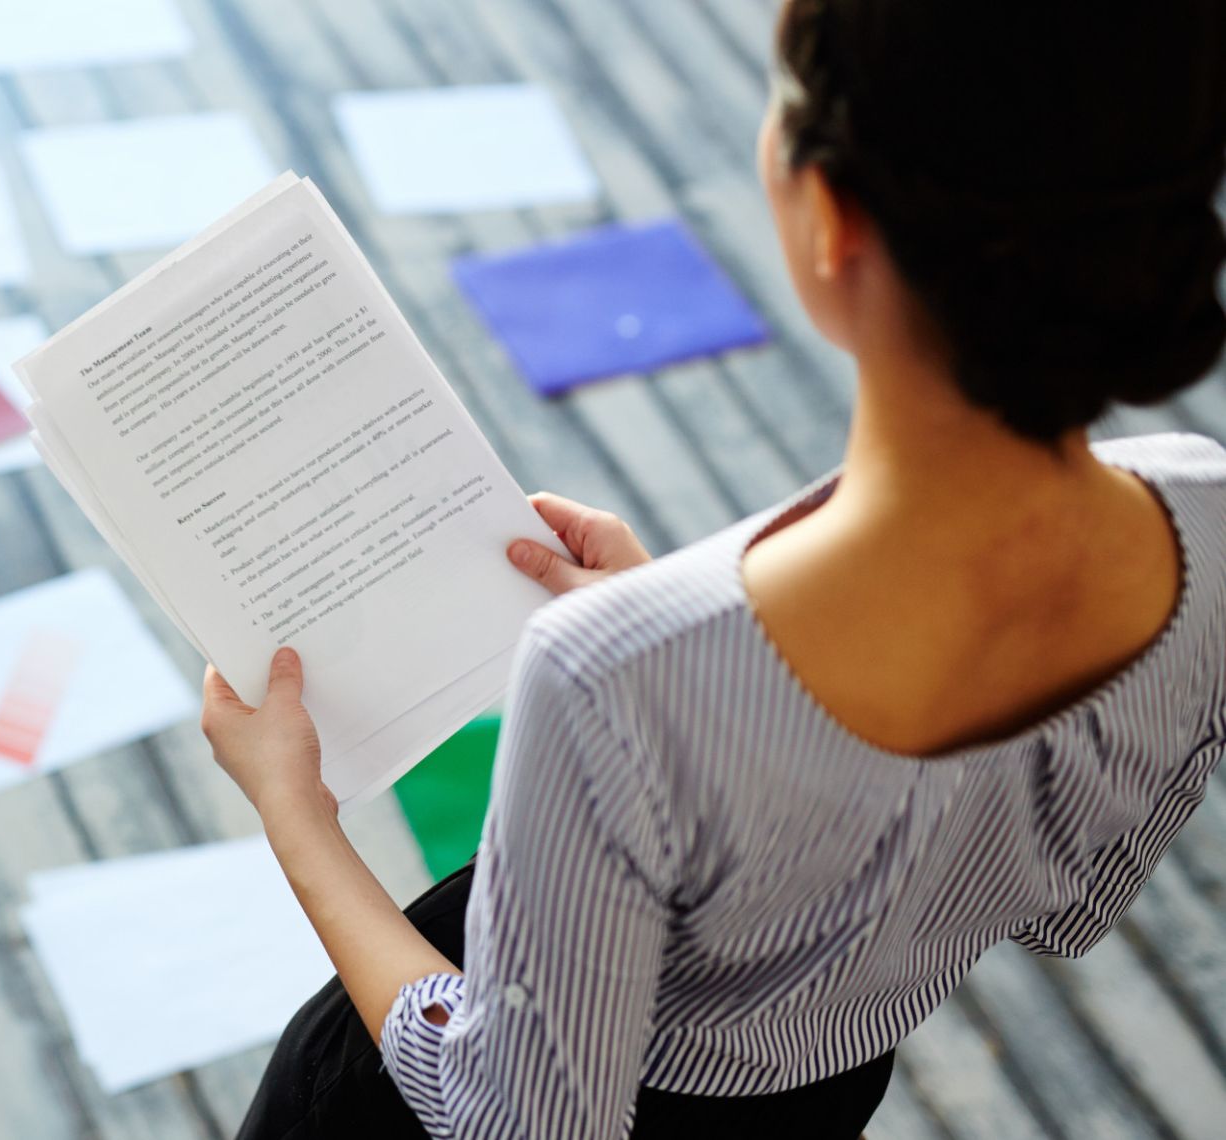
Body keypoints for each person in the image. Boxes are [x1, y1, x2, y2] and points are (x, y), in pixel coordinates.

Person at [200, 1, 1226, 1136]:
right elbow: (1062, 904)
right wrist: (679, 637)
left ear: (829, 216)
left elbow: (516, 1120)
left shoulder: (613, 680)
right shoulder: (1206, 516)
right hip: (820, 1099)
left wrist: (295, 814)